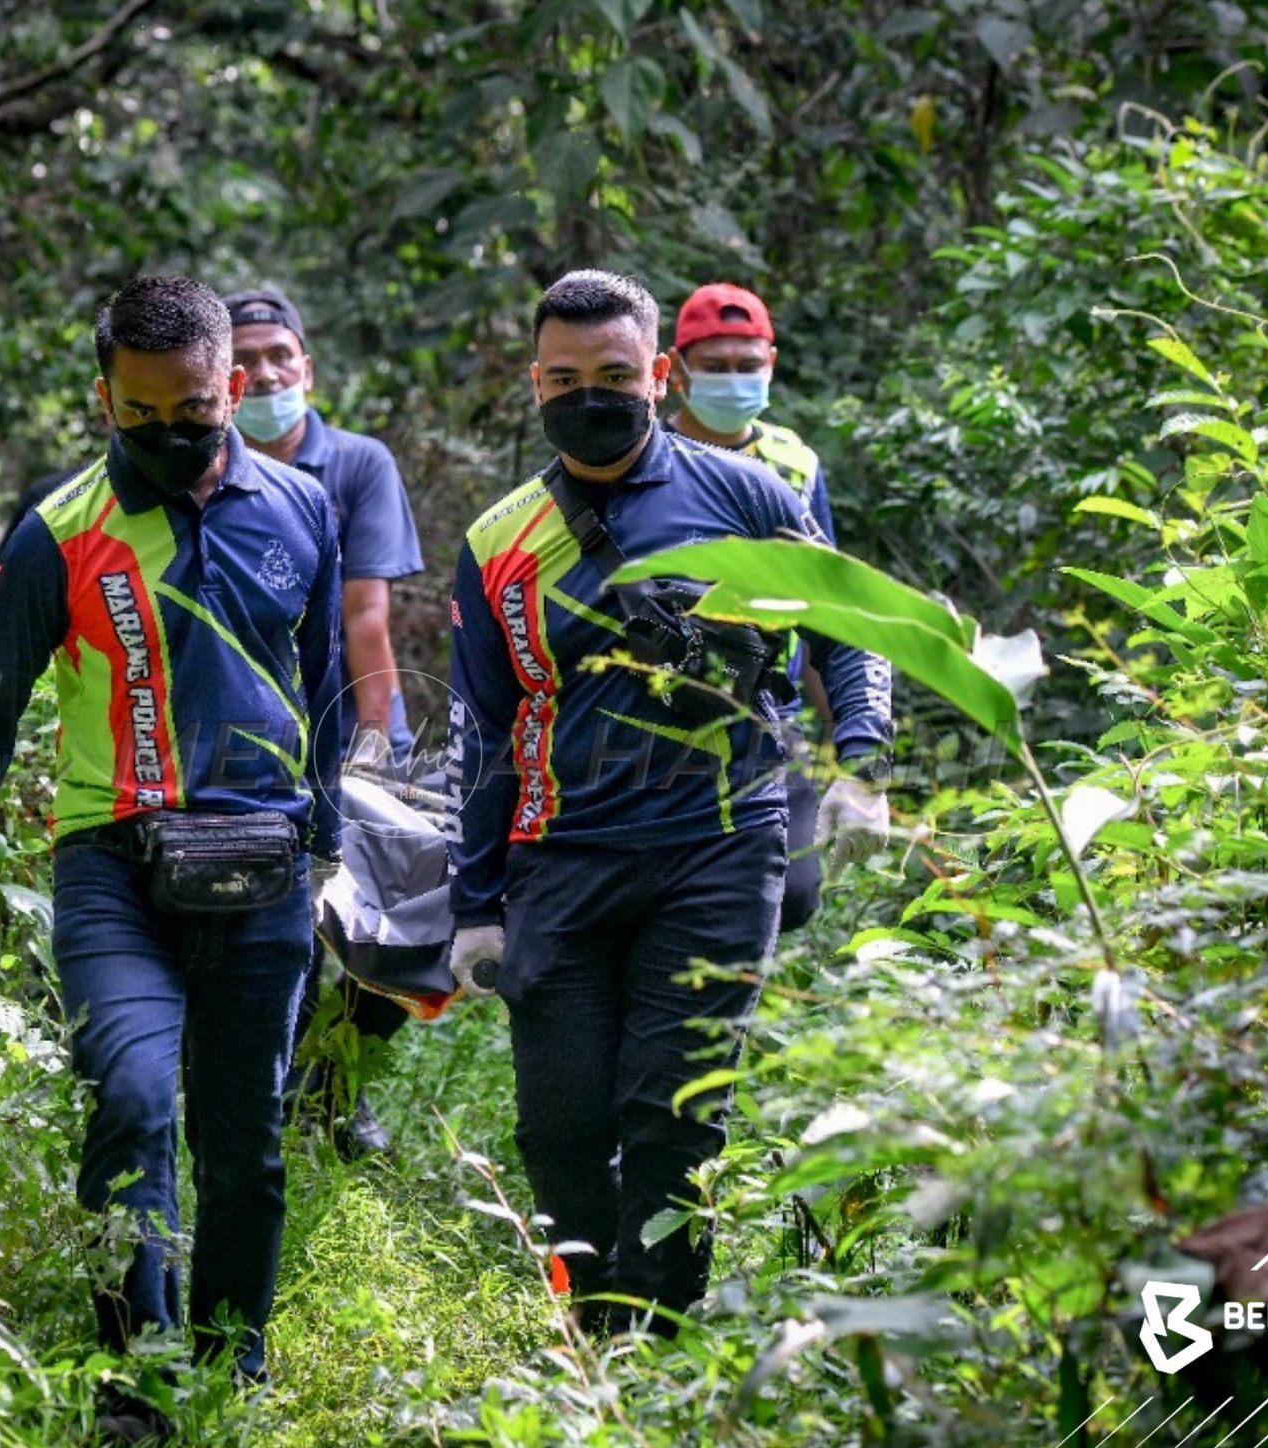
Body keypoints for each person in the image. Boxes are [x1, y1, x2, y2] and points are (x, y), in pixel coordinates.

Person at [0, 275, 343, 1441]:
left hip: (264, 860)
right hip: (113, 864)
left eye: (194, 404)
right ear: (104, 397)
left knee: (243, 1136)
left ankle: (229, 1366)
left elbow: (326, 692)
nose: (171, 429)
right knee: (133, 1099)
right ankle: (136, 1380)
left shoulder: (302, 509)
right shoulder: (59, 534)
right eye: (140, 411)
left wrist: (332, 844)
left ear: (234, 383)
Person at [444, 270, 894, 1334]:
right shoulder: (496, 542)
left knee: (673, 1112)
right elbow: (481, 727)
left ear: (657, 373)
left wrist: (860, 764)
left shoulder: (745, 496)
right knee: (557, 1120)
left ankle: (663, 1333)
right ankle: (587, 1321)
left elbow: (851, 624)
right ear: (533, 380)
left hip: (720, 844)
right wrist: (472, 900)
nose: (586, 394)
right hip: (560, 853)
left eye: (611, 375)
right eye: (563, 377)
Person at [224, 286, 425, 1160]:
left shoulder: (355, 464)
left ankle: (338, 1079)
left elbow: (366, 617)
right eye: (247, 360)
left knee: (408, 924)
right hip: (251, 737)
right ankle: (278, 1095)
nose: (266, 373)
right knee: (286, 926)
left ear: (307, 367)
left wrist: (371, 751)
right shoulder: (202, 466)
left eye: (280, 356)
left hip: (361, 723)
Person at [665, 282, 888, 931]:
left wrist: (848, 751)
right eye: (716, 367)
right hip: (660, 707)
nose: (733, 380)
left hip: (768, 710)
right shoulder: (647, 456)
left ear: (772, 363)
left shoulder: (793, 464)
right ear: (677, 372)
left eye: (747, 366)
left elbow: (829, 615)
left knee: (792, 894)